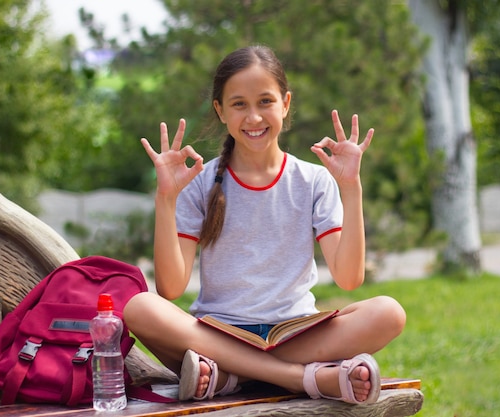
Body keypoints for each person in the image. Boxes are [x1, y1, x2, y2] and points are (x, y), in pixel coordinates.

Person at [123, 45, 406, 405]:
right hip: (219, 333)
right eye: (239, 104)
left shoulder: (313, 180)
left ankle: (230, 376)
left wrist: (351, 189)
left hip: (297, 333)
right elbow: (172, 287)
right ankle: (305, 378)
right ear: (220, 111)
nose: (254, 117)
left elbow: (349, 278)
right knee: (140, 307)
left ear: (285, 104)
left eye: (265, 101)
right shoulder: (201, 181)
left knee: (388, 313)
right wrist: (165, 200)